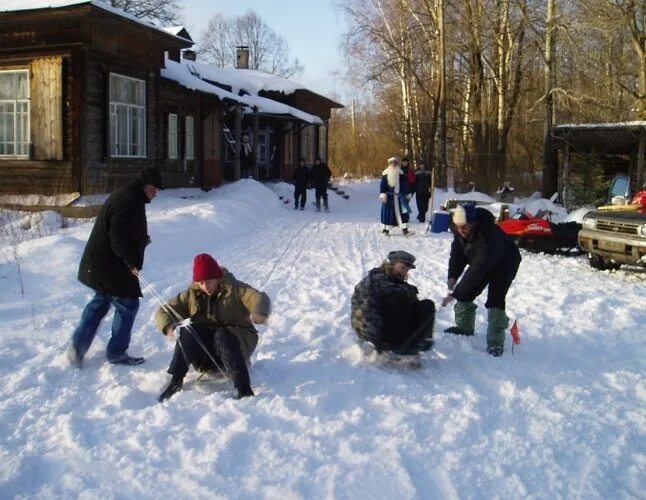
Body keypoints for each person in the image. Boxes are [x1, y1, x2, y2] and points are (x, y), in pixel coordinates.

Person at [67, 167, 163, 367]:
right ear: (143, 186)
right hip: (112, 265)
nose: (155, 195)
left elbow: (125, 231)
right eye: (153, 190)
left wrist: (141, 239)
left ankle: (77, 348)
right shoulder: (128, 201)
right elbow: (118, 238)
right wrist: (131, 262)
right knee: (128, 305)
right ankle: (117, 352)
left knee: (101, 302)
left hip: (101, 263)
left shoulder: (130, 197)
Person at [156, 253, 271, 402]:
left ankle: (243, 388)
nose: (205, 287)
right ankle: (176, 380)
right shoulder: (193, 293)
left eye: (209, 282)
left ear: (217, 277)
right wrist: (168, 324)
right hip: (208, 352)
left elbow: (257, 297)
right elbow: (165, 310)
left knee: (223, 334)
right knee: (188, 331)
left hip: (236, 343)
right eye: (201, 283)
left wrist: (258, 312)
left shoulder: (234, 288)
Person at [441, 204, 522, 357]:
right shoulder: (461, 232)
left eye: (464, 227)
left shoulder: (489, 238)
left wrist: (455, 293)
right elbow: (457, 254)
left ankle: (495, 342)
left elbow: (477, 269)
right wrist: (453, 275)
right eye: (457, 227)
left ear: (474, 223)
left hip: (505, 264)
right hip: (483, 261)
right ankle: (464, 327)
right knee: (466, 294)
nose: (460, 230)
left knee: (495, 300)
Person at [351, 250, 435, 354]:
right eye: (402, 268)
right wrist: (375, 340)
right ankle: (397, 345)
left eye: (407, 270)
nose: (404, 272)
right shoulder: (374, 282)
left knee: (427, 305)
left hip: (399, 330)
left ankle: (417, 343)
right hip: (378, 333)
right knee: (397, 300)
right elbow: (366, 311)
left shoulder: (402, 286)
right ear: (391, 264)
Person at [379, 156, 413, 236]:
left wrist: (407, 193)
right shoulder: (385, 174)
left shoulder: (400, 173)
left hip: (399, 197)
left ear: (397, 164)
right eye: (392, 163)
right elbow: (382, 185)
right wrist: (383, 194)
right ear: (389, 164)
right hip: (389, 197)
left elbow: (405, 185)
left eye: (395, 163)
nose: (393, 165)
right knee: (387, 213)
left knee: (403, 213)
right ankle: (386, 229)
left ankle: (405, 229)